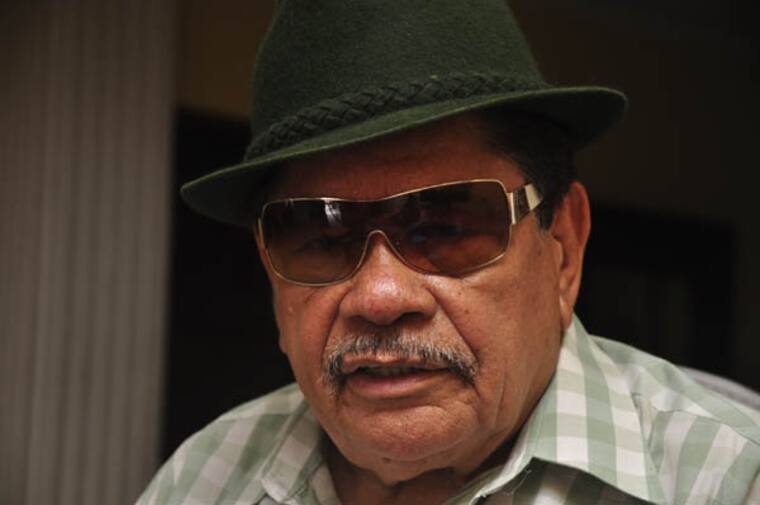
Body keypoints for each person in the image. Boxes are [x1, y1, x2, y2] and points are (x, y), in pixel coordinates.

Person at [138, 1, 760, 503]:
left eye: (444, 227)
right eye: (323, 238)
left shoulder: (727, 480)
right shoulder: (203, 480)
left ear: (563, 248)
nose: (380, 297)